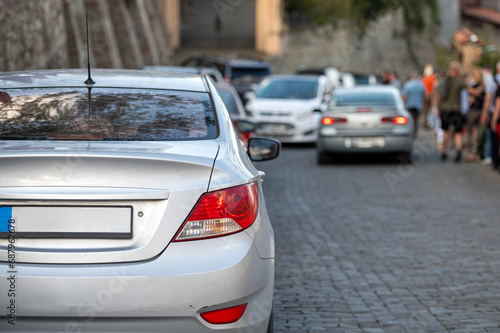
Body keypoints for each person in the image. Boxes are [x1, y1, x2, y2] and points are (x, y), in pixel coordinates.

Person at [436, 61, 476, 162]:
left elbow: (438, 97)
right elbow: (471, 91)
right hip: (456, 110)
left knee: (445, 132)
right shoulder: (459, 82)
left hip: (445, 109)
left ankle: (444, 152)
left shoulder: (443, 82)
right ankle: (458, 152)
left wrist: (438, 109)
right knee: (458, 132)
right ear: (457, 70)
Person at [465, 69, 485, 162]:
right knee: (478, 134)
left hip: (473, 111)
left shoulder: (472, 87)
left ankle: (471, 154)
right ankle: (478, 154)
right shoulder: (485, 87)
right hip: (481, 111)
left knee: (470, 134)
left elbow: (471, 99)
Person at [402, 70, 425, 136]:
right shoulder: (421, 84)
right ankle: (414, 132)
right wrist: (423, 104)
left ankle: (410, 131)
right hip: (418, 105)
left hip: (409, 105)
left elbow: (404, 96)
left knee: (409, 120)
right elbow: (424, 96)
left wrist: (404, 104)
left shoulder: (407, 84)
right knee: (416, 120)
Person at [422, 64, 437, 129]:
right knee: (431, 110)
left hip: (425, 95)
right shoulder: (433, 78)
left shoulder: (424, 79)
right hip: (431, 95)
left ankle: (425, 123)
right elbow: (434, 87)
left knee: (426, 110)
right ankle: (430, 123)